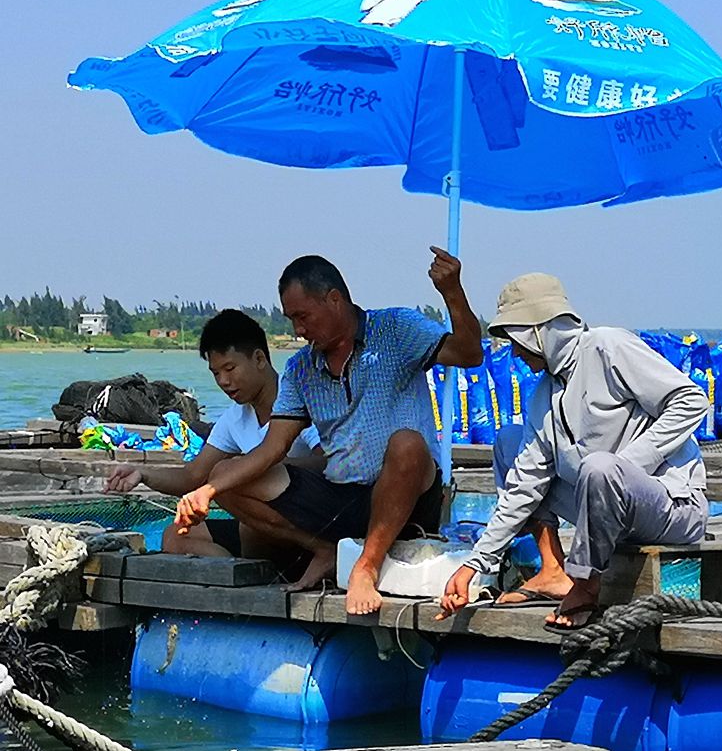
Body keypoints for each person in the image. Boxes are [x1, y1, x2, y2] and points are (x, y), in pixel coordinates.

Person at [173, 247, 483, 614]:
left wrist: (452, 292)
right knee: (225, 474)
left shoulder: (396, 329)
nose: (298, 330)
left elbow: (468, 354)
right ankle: (325, 550)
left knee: (407, 444)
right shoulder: (301, 368)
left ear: (334, 300)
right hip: (340, 498)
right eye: (291, 320)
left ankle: (365, 567)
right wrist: (209, 489)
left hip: (408, 496)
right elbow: (272, 449)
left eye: (303, 317)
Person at [437, 272, 709, 633]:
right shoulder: (542, 395)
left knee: (600, 468)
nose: (515, 353)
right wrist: (475, 564)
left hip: (670, 506)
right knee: (508, 443)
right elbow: (524, 486)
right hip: (603, 505)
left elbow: (690, 401)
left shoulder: (607, 347)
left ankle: (585, 584)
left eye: (517, 340)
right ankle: (553, 570)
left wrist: (624, 468)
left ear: (540, 330)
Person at [104, 309, 322, 564]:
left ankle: (283, 567)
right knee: (175, 536)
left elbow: (327, 463)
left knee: (233, 476)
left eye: (230, 368)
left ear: (260, 359)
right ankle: (238, 572)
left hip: (308, 523)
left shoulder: (300, 399)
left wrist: (259, 469)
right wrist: (142, 474)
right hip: (258, 529)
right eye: (216, 373)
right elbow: (193, 475)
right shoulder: (234, 418)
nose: (224, 381)